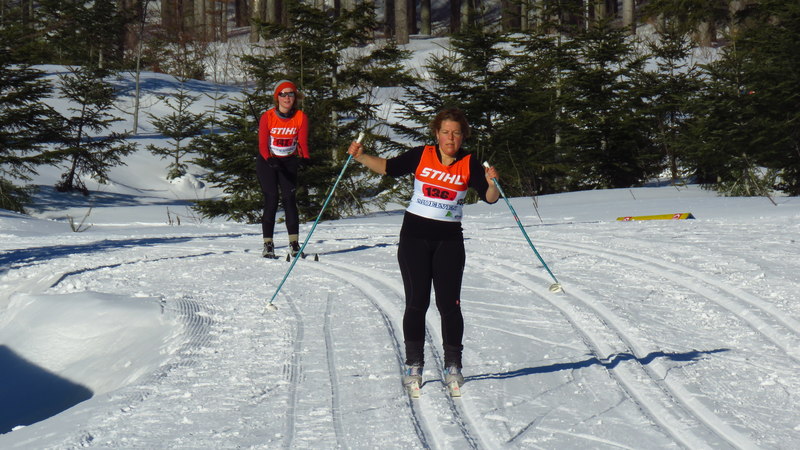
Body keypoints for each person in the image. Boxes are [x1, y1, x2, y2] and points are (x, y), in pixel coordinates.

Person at [347, 107, 500, 391]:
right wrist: (361, 156)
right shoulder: (422, 155)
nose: (450, 138)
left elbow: (490, 198)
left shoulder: (469, 163)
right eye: (445, 132)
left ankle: (453, 364)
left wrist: (492, 184)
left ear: (463, 136)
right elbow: (389, 168)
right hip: (414, 238)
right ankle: (414, 363)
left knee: (449, 305)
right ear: (437, 134)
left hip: (449, 241)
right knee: (417, 302)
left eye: (456, 133)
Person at [257, 80, 310, 259]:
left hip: (288, 161)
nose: (287, 98)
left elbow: (302, 142)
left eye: (291, 94)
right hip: (268, 162)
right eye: (283, 94)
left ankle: (294, 243)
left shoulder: (300, 117)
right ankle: (268, 244)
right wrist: (269, 159)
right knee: (271, 199)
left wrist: (305, 158)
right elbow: (262, 144)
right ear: (277, 97)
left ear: (295, 97)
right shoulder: (268, 116)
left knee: (289, 200)